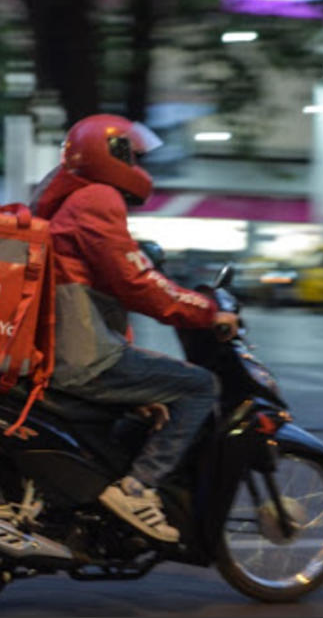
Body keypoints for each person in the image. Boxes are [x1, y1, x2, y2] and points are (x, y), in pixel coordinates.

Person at [30, 114, 239, 543]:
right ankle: (138, 489)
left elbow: (119, 283)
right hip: (85, 358)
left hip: (71, 348)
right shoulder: (97, 200)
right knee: (199, 386)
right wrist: (207, 310)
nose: (144, 168)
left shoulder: (71, 200)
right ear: (114, 156)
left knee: (149, 399)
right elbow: (138, 282)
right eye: (137, 157)